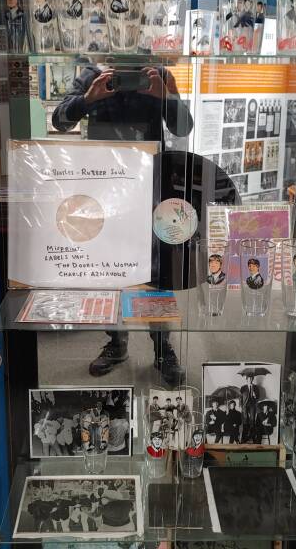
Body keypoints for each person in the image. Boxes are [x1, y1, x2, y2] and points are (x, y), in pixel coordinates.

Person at [52, 64, 193, 385]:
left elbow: (184, 127)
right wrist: (88, 99)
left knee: (156, 273)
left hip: (149, 191)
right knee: (108, 269)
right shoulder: (93, 75)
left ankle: (162, 348)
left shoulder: (158, 74)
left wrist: (167, 97)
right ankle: (117, 344)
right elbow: (60, 121)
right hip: (104, 192)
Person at [240, 373, 265, 443]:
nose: (250, 380)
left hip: (252, 405)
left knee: (252, 420)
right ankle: (244, 438)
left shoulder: (255, 387)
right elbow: (240, 397)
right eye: (248, 379)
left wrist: (254, 394)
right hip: (245, 405)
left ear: (252, 379)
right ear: (246, 379)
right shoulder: (243, 387)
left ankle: (253, 437)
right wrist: (241, 406)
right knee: (245, 421)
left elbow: (258, 397)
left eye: (251, 379)